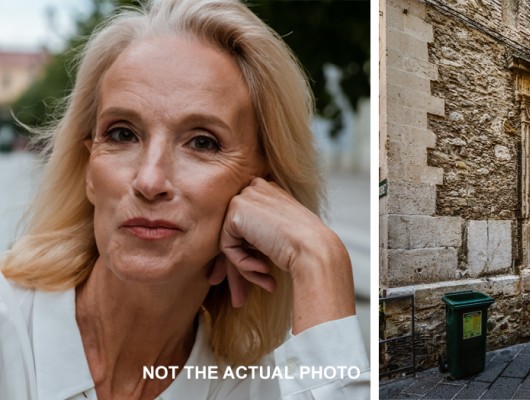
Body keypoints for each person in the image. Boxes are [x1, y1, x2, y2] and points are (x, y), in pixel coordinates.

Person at [0, 0, 370, 398]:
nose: (150, 180)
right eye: (123, 134)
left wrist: (319, 259)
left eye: (202, 142)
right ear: (89, 168)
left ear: (263, 187)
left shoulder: (258, 386)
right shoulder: (10, 334)